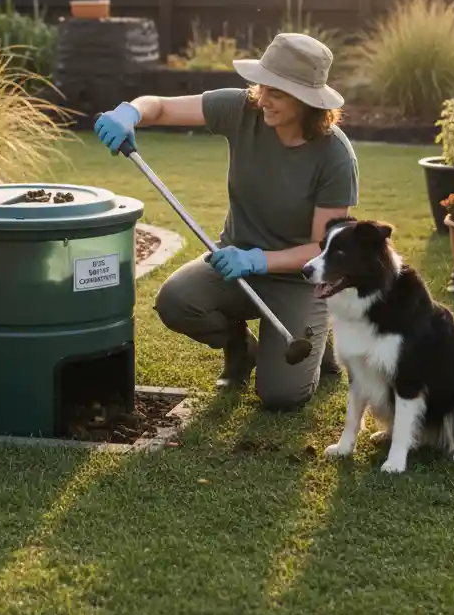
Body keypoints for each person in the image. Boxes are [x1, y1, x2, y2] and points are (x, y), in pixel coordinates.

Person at [93, 32, 359, 412]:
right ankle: (240, 346)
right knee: (176, 301)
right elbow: (162, 107)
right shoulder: (243, 109)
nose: (263, 99)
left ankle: (318, 337)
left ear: (307, 101)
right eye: (262, 87)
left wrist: (256, 260)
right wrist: (131, 111)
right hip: (232, 265)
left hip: (296, 279)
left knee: (282, 396)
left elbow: (322, 248)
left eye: (277, 93)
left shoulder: (335, 157)